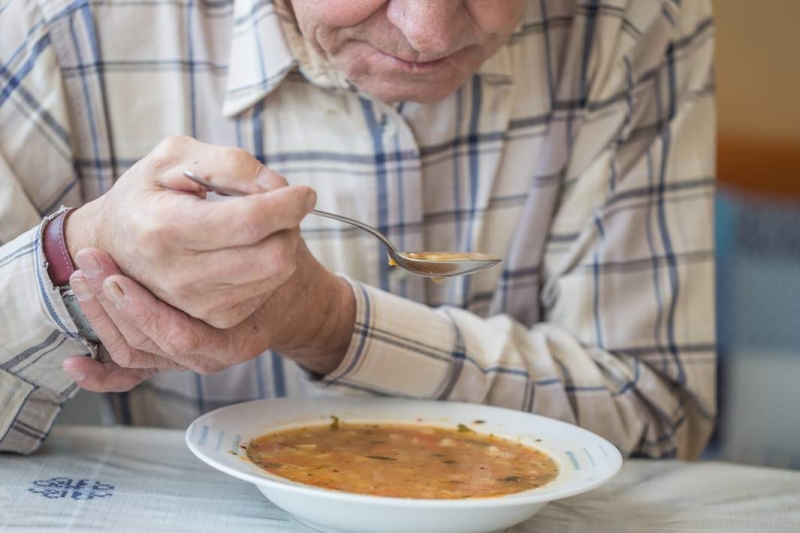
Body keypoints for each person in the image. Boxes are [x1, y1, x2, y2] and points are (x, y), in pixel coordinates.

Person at [0, 0, 716, 458]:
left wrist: (332, 322)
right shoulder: (55, 25)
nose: (427, 31)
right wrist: (71, 253)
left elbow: (658, 417)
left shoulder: (633, 24)